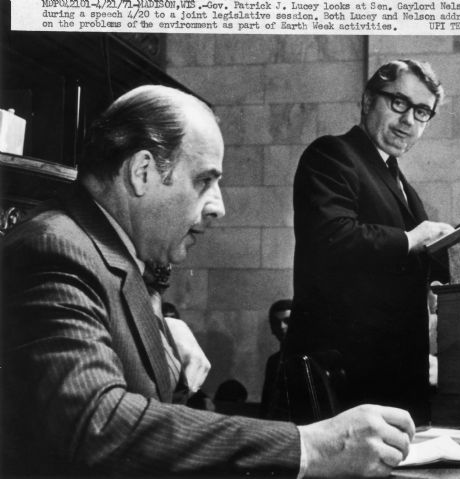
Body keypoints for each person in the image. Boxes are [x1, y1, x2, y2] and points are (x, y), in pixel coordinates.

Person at [1, 85, 416, 477]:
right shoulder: (55, 248)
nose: (219, 207)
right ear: (142, 172)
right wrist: (310, 445)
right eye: (204, 180)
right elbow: (97, 423)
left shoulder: (110, 250)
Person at [284, 59, 456, 426]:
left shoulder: (397, 180)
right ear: (367, 100)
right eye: (399, 103)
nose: (409, 120)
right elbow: (333, 238)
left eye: (422, 111)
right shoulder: (332, 154)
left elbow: (424, 257)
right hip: (348, 379)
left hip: (392, 377)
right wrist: (411, 238)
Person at [260, 299, 293, 418]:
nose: (282, 327)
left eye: (287, 321)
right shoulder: (273, 361)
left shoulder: (309, 359)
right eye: (276, 322)